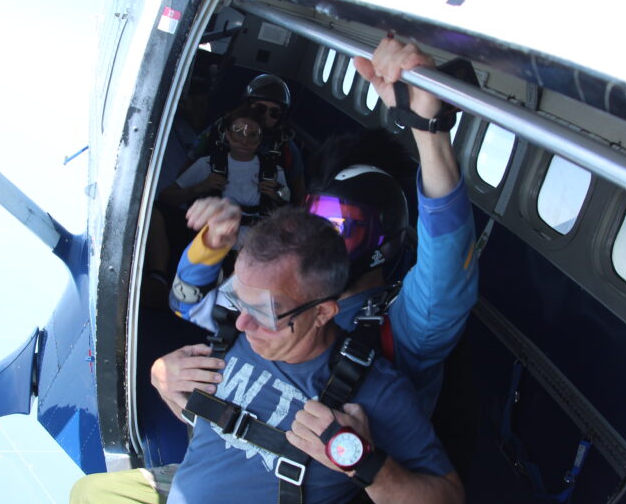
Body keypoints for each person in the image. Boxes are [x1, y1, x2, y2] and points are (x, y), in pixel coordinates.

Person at [62, 208, 463, 504]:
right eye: (238, 297)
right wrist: (159, 372)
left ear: (321, 312)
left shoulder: (377, 392)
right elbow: (184, 300)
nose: (242, 324)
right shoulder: (231, 328)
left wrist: (365, 463)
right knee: (90, 495)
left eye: (265, 312)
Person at [169, 36, 478, 414]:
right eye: (317, 218)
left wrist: (428, 132)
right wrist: (210, 245)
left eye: (343, 226)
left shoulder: (406, 328)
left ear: (386, 244)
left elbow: (445, 275)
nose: (321, 238)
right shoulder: (282, 285)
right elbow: (187, 304)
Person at [186, 74, 306, 206]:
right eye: (260, 108)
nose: (265, 116)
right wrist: (201, 187)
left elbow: (297, 196)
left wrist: (280, 192)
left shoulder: (286, 147)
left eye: (274, 112)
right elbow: (184, 176)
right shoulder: (216, 133)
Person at [160, 106, 290, 219]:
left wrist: (279, 194)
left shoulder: (273, 171)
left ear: (260, 139)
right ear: (227, 134)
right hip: (213, 239)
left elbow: (290, 205)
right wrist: (199, 187)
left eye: (253, 135)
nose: (245, 141)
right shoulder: (207, 164)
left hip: (257, 241)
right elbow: (165, 198)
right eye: (239, 133)